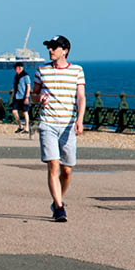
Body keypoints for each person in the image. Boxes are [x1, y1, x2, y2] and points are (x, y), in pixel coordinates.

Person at [31, 35, 85, 223]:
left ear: (65, 50)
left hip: (68, 125)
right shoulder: (42, 71)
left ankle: (57, 200)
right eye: (49, 47)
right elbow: (33, 96)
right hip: (48, 123)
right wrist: (39, 99)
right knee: (53, 165)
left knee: (67, 170)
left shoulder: (77, 70)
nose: (50, 50)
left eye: (54, 47)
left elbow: (81, 97)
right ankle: (60, 208)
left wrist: (80, 119)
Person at [11, 62, 32, 134]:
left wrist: (26, 97)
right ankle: (20, 126)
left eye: (15, 68)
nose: (14, 69)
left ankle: (27, 128)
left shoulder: (26, 76)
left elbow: (28, 87)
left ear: (20, 68)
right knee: (14, 111)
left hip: (24, 97)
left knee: (25, 112)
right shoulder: (16, 76)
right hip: (17, 96)